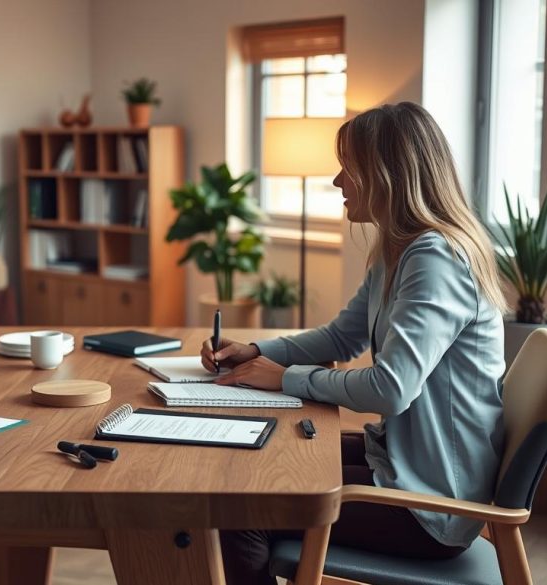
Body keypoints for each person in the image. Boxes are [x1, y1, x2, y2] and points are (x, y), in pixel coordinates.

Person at [204, 102, 507, 585]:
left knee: (242, 508)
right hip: (401, 464)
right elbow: (340, 337)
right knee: (259, 460)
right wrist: (260, 354)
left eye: (350, 167)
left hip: (429, 506)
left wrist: (284, 378)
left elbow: (390, 390)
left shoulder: (435, 259)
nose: (338, 182)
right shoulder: (398, 249)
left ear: (389, 175)